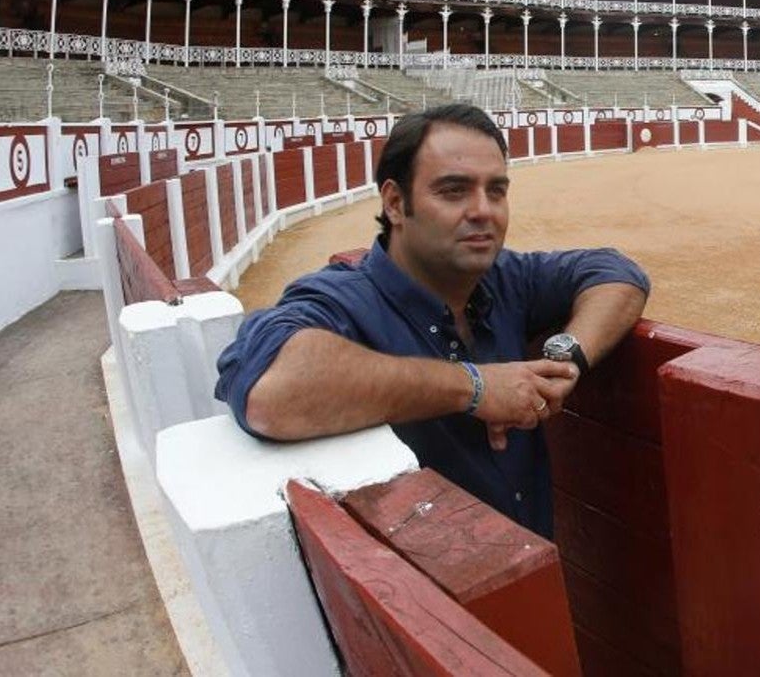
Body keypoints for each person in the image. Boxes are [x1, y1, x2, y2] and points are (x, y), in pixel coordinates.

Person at [214, 104, 649, 538]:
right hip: (418, 600)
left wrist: (563, 359)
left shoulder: (506, 279)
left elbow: (617, 273)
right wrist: (475, 387)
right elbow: (271, 392)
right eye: (454, 191)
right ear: (396, 203)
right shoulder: (343, 299)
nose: (484, 211)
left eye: (496, 190)